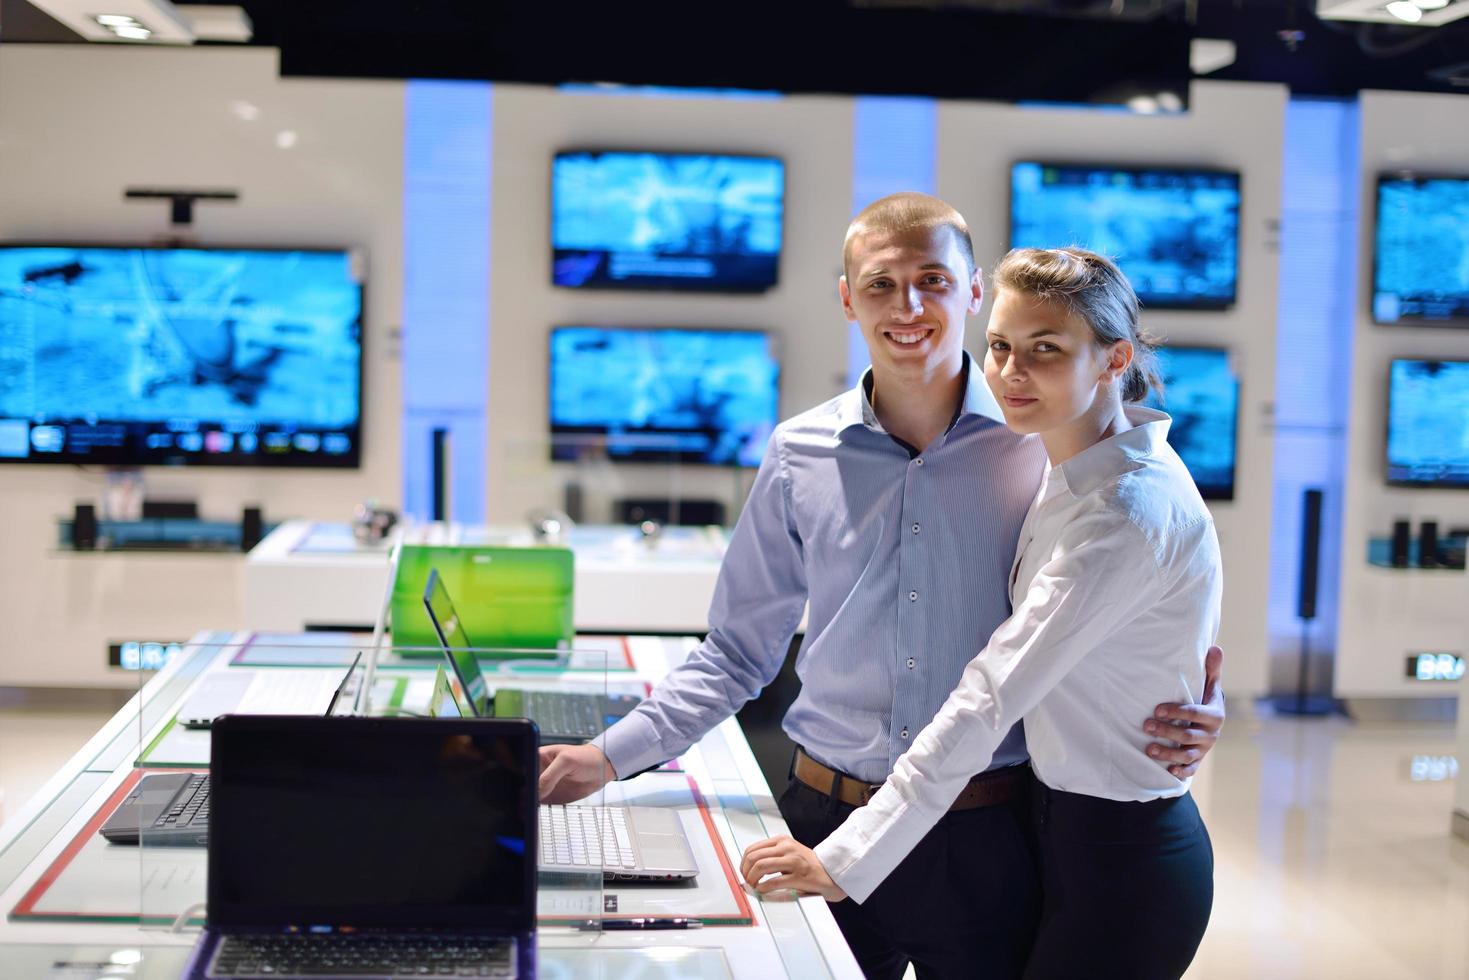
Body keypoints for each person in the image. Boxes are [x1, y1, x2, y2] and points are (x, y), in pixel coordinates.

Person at [539, 194, 1226, 979]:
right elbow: (736, 652)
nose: (908, 306)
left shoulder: (1045, 438)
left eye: (932, 280)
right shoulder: (798, 452)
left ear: (971, 292)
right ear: (845, 298)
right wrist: (609, 755)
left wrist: (1187, 696)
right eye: (879, 284)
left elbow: (1142, 579)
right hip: (818, 813)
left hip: (986, 832)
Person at [741, 246, 1220, 980]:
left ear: (1113, 359)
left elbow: (990, 695)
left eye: (1045, 350)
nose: (1009, 373)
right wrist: (1195, 694)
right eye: (998, 346)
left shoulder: (1123, 509)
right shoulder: (1065, 465)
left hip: (1122, 861)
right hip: (1048, 828)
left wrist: (844, 859)